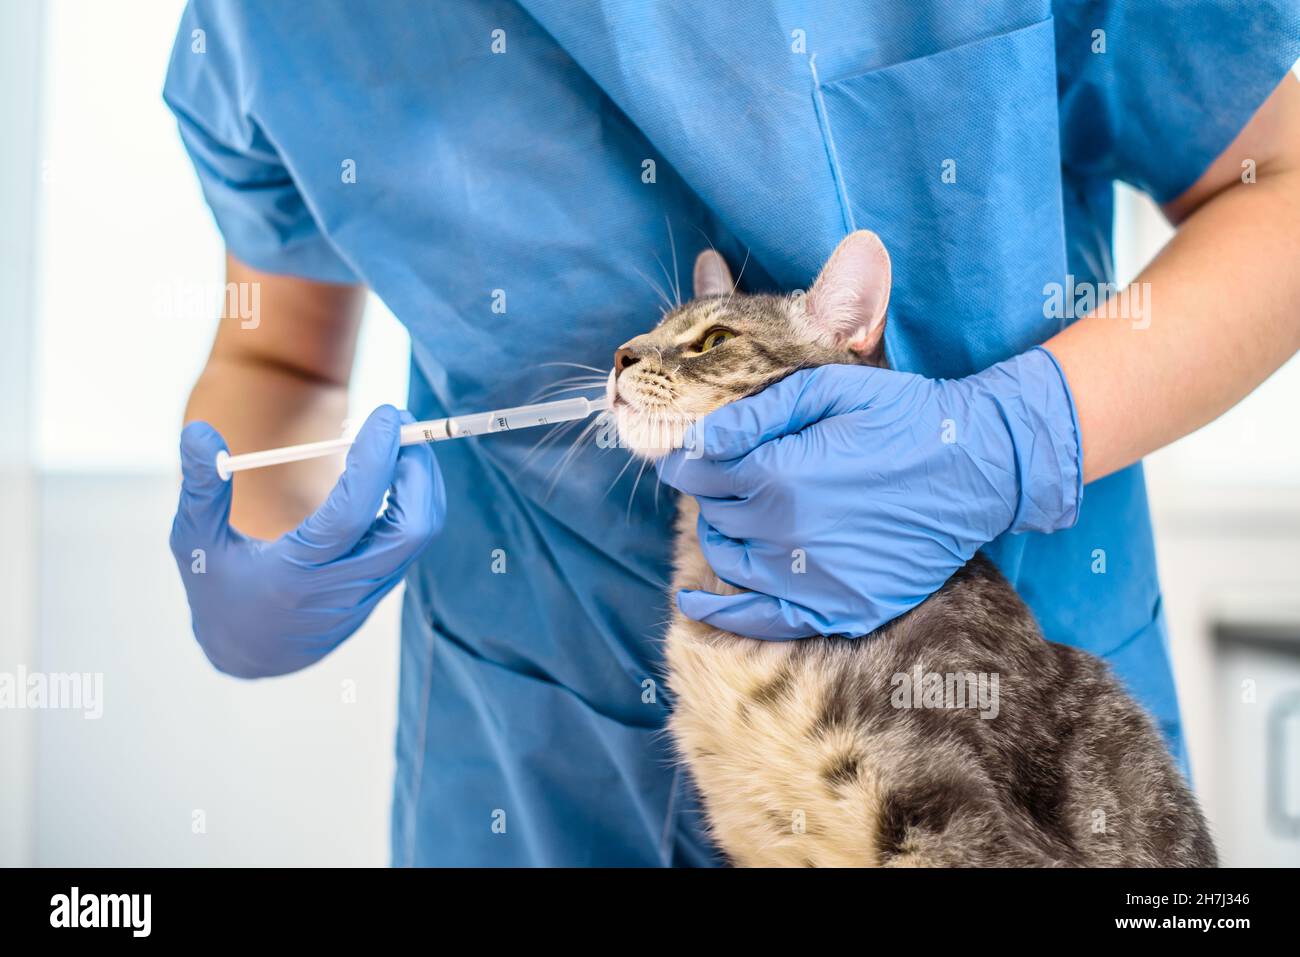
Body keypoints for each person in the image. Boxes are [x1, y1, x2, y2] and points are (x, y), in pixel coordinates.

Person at [165, 1, 1300, 866]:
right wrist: (256, 544)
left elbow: (1279, 185)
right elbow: (281, 358)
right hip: (529, 748)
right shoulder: (266, 25)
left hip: (982, 717)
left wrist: (1011, 434)